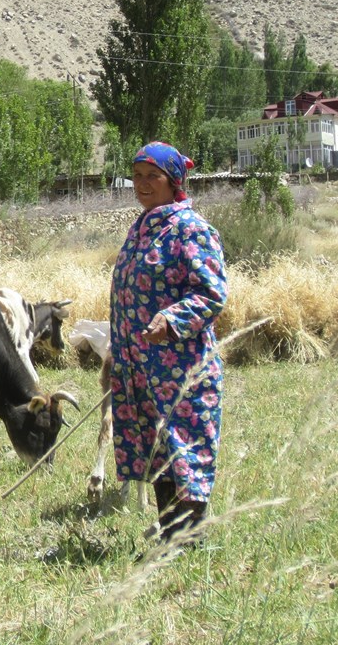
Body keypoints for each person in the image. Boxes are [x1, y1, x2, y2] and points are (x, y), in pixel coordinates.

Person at [108, 141, 228, 544]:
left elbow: (211, 294)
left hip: (180, 369)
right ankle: (170, 530)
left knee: (183, 443)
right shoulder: (142, 227)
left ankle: (189, 537)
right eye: (137, 176)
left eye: (152, 176)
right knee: (154, 444)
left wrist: (171, 319)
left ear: (173, 180)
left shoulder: (189, 229)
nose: (142, 184)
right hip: (140, 366)